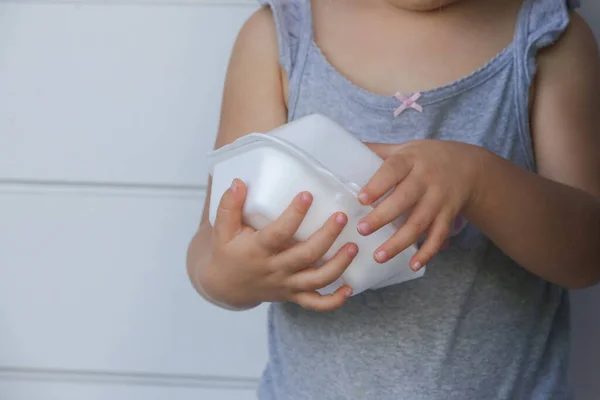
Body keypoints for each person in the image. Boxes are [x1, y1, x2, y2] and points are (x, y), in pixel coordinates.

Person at [186, 0, 600, 398]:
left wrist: (479, 181)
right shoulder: (279, 37)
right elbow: (213, 247)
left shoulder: (548, 37)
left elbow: (586, 256)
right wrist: (233, 276)